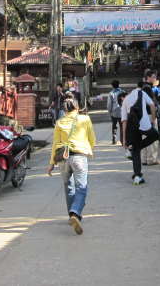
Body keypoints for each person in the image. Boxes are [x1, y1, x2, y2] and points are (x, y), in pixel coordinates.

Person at [47, 97, 96, 235]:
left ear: (64, 110)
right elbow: (92, 139)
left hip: (63, 158)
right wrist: (88, 149)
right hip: (79, 156)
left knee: (68, 187)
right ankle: (76, 213)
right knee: (81, 187)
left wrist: (52, 163)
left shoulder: (59, 122)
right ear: (77, 107)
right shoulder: (85, 119)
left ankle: (71, 216)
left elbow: (55, 144)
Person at [121, 81, 159, 185]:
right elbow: (152, 105)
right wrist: (153, 120)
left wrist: (124, 140)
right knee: (156, 135)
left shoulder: (125, 101)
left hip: (132, 128)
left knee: (136, 151)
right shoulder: (142, 93)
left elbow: (124, 121)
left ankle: (137, 176)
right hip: (144, 125)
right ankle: (136, 149)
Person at [107, 80, 124, 144]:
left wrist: (109, 111)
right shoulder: (123, 92)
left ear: (112, 86)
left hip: (114, 112)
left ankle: (114, 139)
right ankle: (122, 140)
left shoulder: (111, 93)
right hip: (122, 111)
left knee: (114, 125)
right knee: (122, 126)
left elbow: (109, 104)